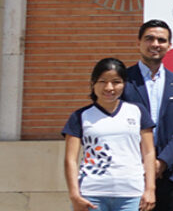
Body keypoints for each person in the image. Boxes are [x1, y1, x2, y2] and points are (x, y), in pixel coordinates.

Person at [64, 58, 157, 211]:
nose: (109, 87)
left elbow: (148, 152)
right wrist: (74, 195)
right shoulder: (80, 116)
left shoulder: (138, 112)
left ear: (124, 84)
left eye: (116, 82)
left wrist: (150, 189)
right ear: (93, 83)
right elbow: (70, 160)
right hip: (91, 194)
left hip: (131, 194)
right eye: (102, 81)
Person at [125, 20, 173, 211]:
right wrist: (144, 163)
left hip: (168, 173)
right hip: (130, 171)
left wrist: (161, 162)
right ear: (138, 42)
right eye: (149, 38)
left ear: (169, 46)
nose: (155, 44)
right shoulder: (123, 81)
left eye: (161, 40)